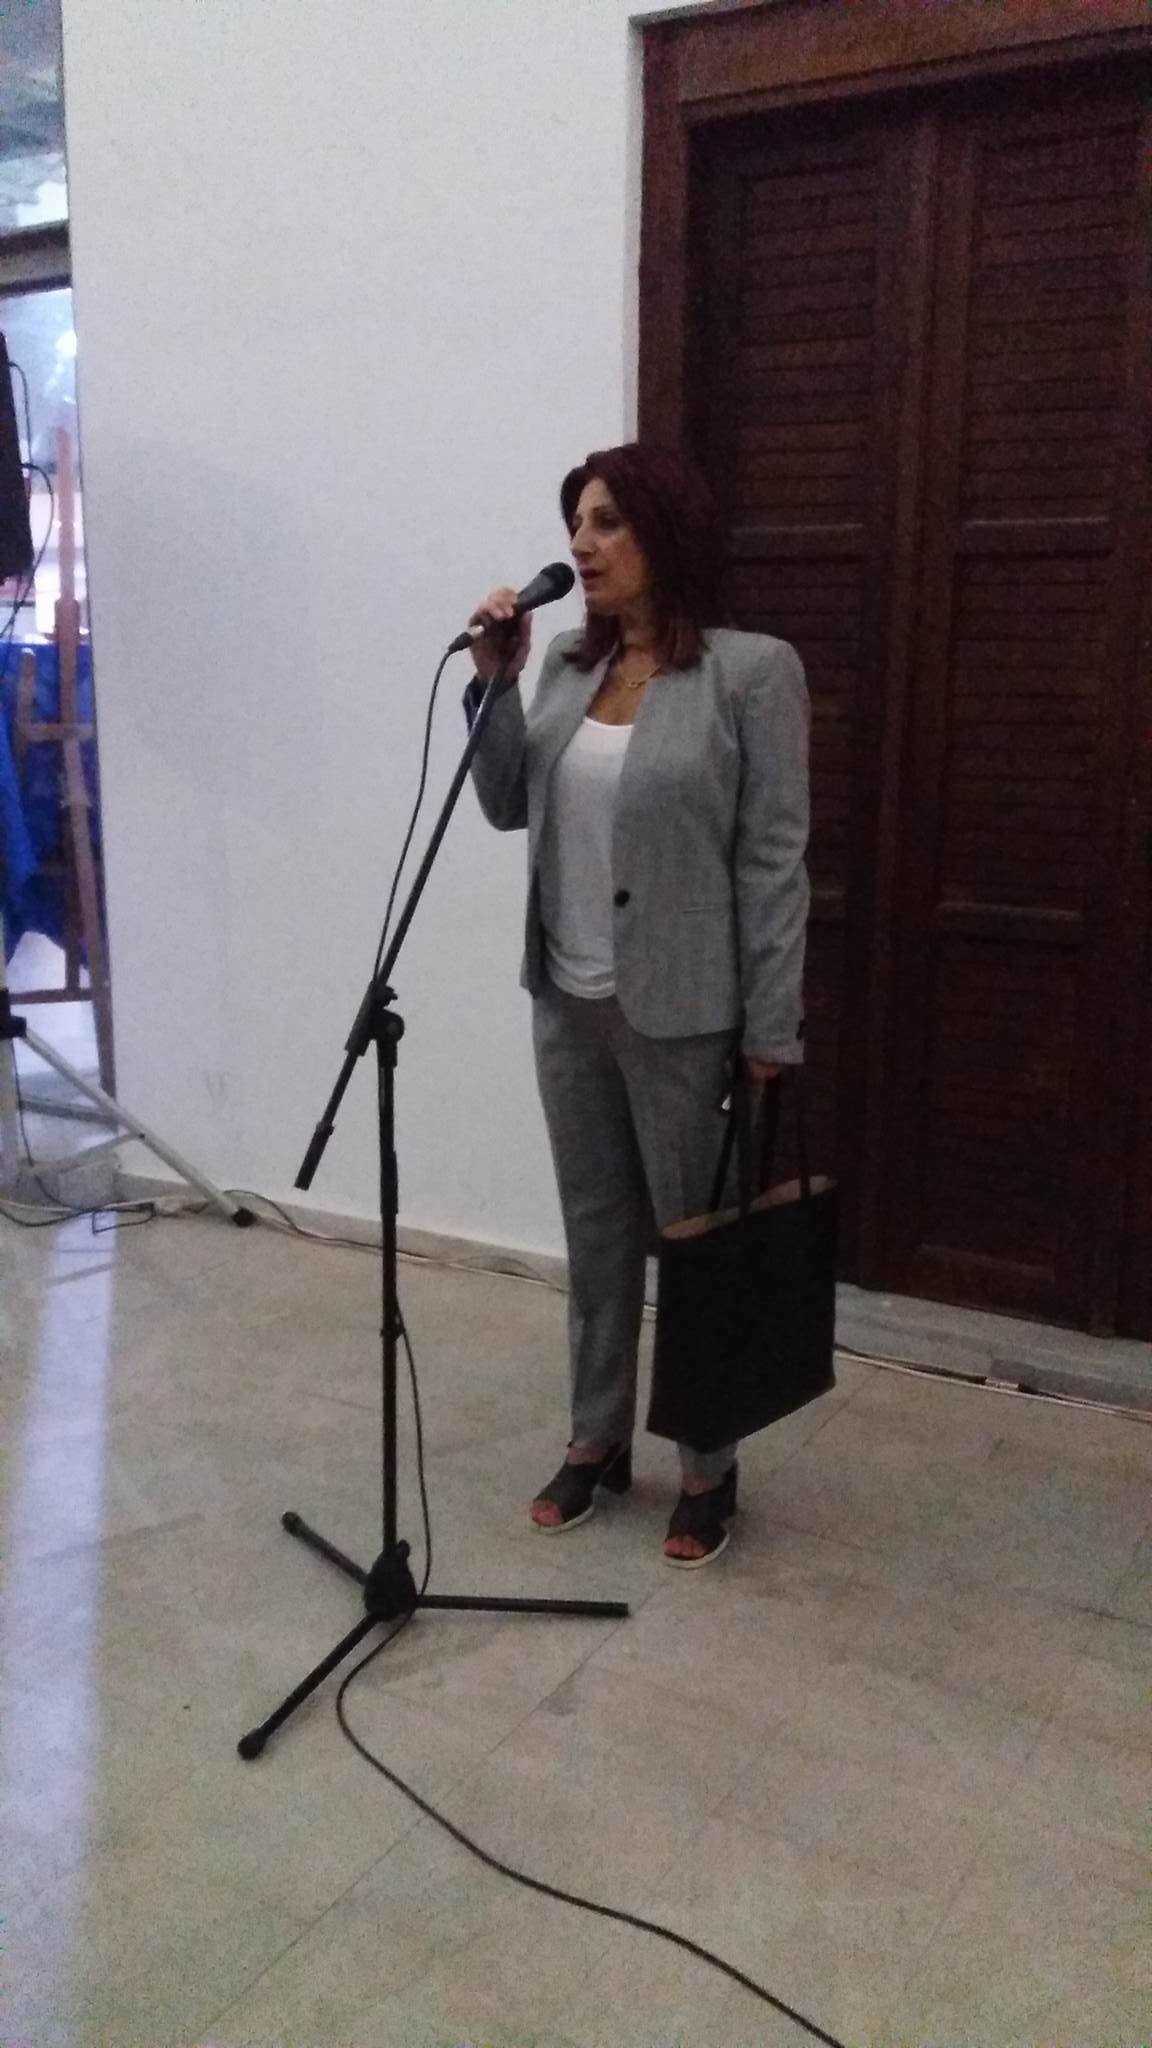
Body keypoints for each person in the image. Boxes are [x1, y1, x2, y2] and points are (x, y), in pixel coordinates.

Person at [464, 443, 810, 1566]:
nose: (582, 542)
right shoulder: (567, 665)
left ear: (666, 531)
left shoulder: (752, 673)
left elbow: (772, 860)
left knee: (697, 1251)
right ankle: (597, 1438)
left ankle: (708, 1464)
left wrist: (771, 1027)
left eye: (607, 521)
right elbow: (506, 803)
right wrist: (495, 682)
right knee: (597, 1235)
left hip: (685, 1013)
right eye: (576, 521)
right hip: (566, 998)